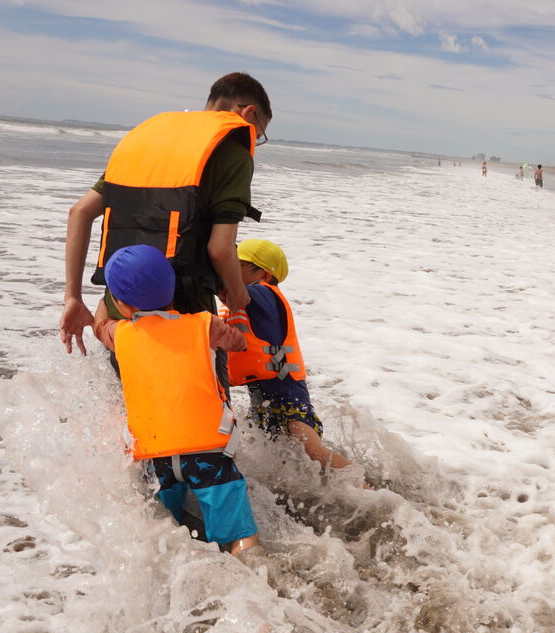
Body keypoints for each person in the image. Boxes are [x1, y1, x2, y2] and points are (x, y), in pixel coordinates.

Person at [59, 72, 273, 356]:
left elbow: (80, 212)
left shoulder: (144, 142)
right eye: (258, 134)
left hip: (120, 302)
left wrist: (72, 297)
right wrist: (237, 293)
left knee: (127, 381)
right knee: (198, 384)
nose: (254, 141)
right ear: (248, 112)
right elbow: (220, 249)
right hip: (182, 307)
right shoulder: (233, 154)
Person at [93, 245, 259, 554]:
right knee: (240, 536)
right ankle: (256, 569)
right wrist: (235, 320)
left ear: (120, 303)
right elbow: (238, 343)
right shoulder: (206, 325)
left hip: (154, 458)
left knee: (166, 534)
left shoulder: (120, 334)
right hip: (210, 454)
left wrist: (104, 300)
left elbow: (98, 326)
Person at [222, 239, 356, 473]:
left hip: (288, 395)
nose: (233, 269)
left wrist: (215, 262)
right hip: (263, 396)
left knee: (313, 452)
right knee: (282, 459)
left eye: (238, 265)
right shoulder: (253, 298)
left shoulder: (264, 293)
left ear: (264, 274)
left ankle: (368, 487)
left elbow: (227, 290)